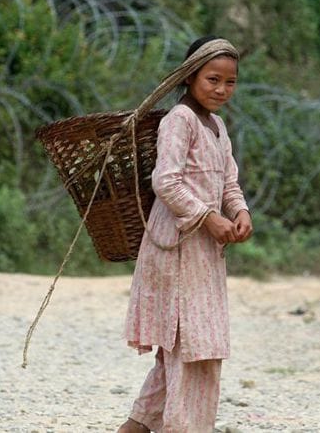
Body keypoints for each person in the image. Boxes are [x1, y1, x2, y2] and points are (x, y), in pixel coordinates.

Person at [117, 36, 252, 433]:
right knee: (193, 352)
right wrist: (207, 217)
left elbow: (229, 181)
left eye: (230, 82)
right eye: (213, 79)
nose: (221, 90)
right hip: (174, 247)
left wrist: (240, 211)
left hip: (204, 251)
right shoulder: (179, 120)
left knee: (186, 352)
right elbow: (167, 181)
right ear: (191, 76)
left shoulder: (217, 126)